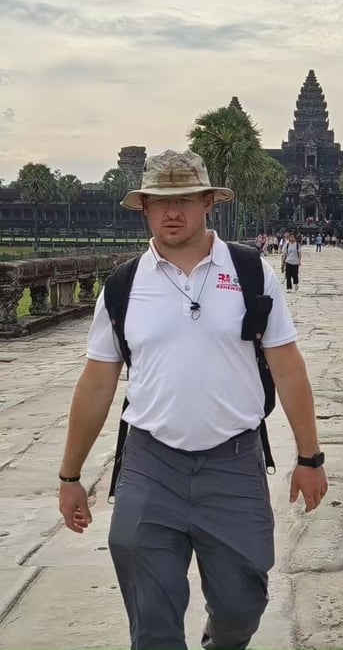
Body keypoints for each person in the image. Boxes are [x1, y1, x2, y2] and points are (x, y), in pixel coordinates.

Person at [57, 150, 327, 650]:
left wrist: (310, 457)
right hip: (150, 463)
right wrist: (70, 476)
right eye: (160, 202)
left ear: (208, 203)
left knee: (241, 607)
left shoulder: (250, 272)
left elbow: (288, 368)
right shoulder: (124, 285)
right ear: (144, 208)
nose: (172, 212)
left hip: (234, 460)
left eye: (184, 199)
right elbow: (96, 382)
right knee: (152, 622)